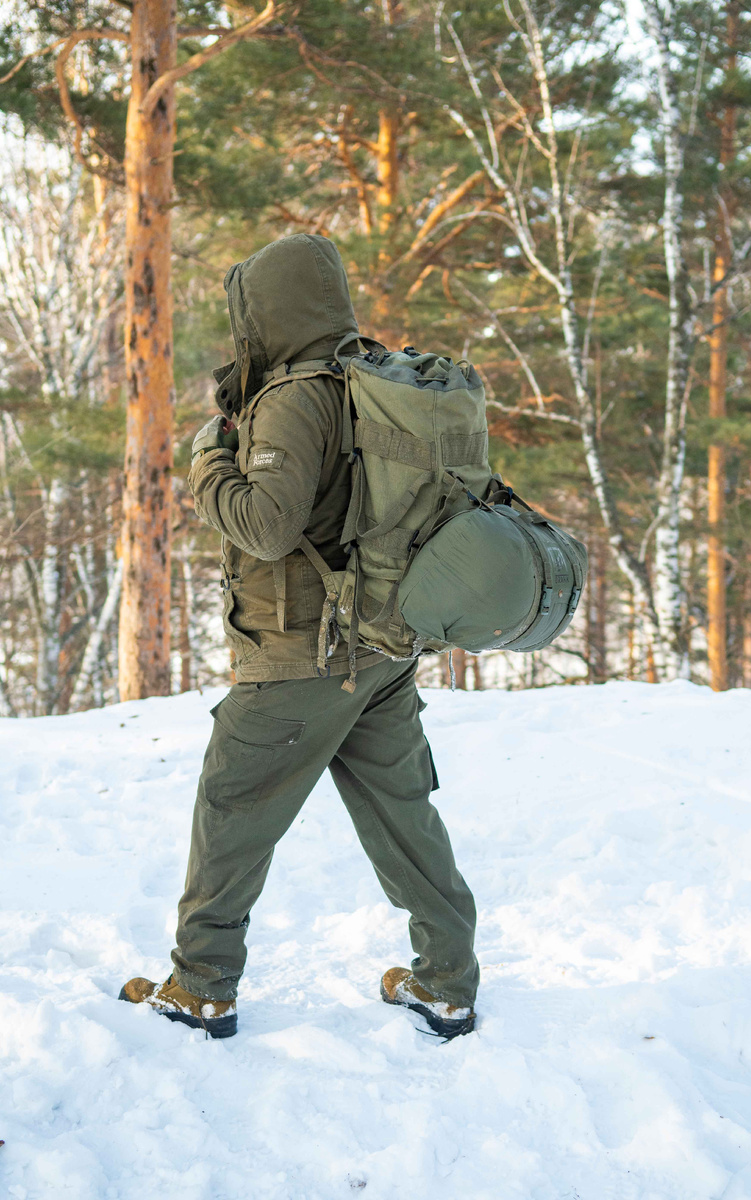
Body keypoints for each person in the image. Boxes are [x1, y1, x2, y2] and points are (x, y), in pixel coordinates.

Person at [119, 234, 479, 1040]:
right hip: (383, 647)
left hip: (303, 656)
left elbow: (266, 525)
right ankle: (447, 980)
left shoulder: (295, 394)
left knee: (231, 808)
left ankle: (203, 986)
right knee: (402, 814)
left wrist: (211, 459)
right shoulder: (373, 379)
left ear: (269, 311)